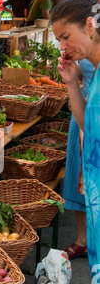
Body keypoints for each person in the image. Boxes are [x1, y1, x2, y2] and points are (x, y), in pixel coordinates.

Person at [50, 0, 100, 284]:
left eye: (66, 37)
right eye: (58, 40)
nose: (63, 48)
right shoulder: (93, 68)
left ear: (91, 25)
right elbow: (86, 124)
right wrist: (71, 83)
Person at [63, 59, 94, 259]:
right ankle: (82, 240)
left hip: (96, 112)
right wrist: (72, 75)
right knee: (78, 178)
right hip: (82, 111)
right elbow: (85, 74)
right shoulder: (85, 39)